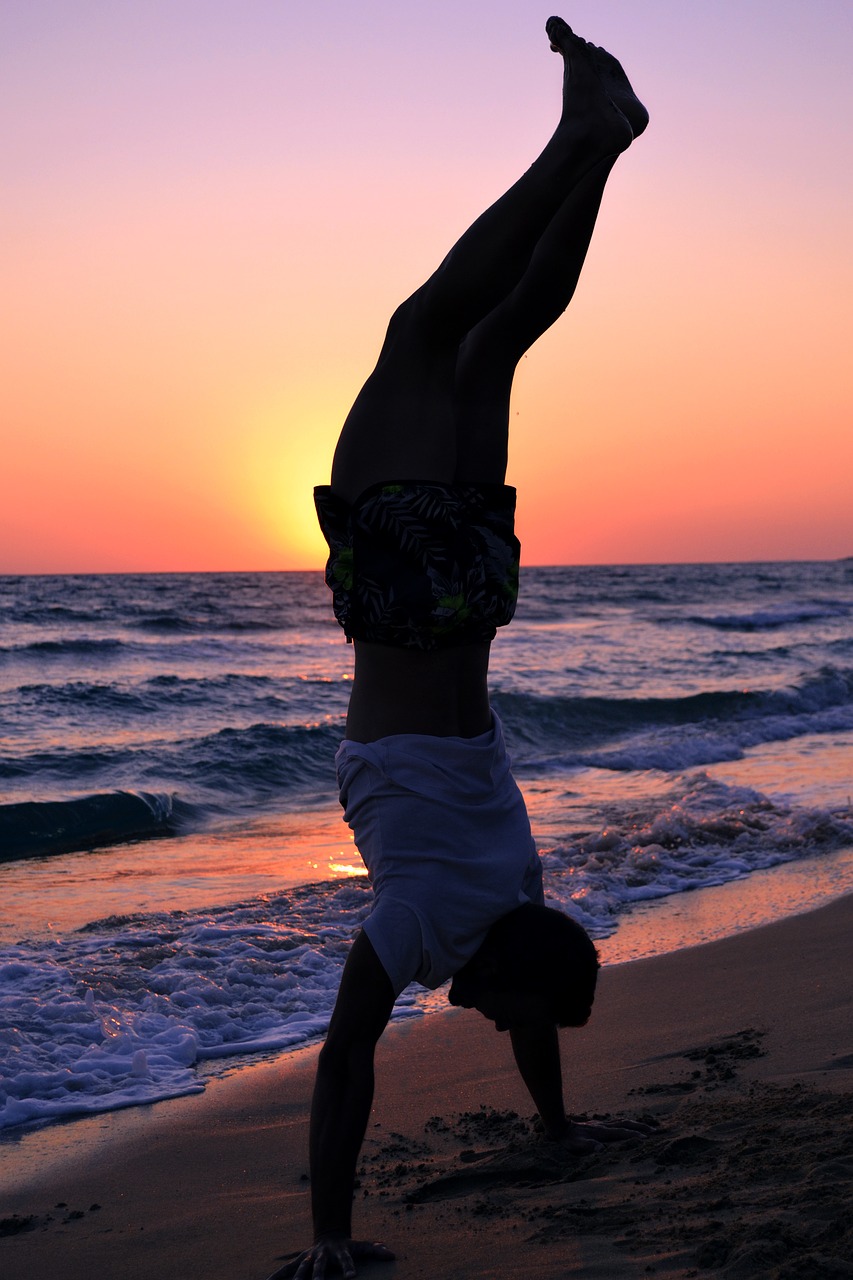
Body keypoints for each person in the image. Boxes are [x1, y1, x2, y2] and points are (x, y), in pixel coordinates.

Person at [270, 17, 650, 1279]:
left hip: (478, 608)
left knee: (497, 347)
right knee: (424, 331)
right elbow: (343, 1058)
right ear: (496, 969)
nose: (481, 1014)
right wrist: (327, 1235)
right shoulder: (427, 918)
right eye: (499, 1006)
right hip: (407, 611)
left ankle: (602, 153)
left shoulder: (520, 889)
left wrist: (554, 1127)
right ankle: (576, 141)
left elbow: (533, 1005)